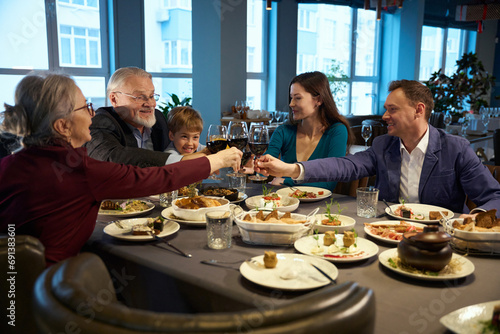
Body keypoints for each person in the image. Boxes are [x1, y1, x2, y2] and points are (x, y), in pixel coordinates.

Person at [0, 73, 242, 266]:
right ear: (63, 126)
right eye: (85, 108)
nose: (92, 116)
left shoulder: (8, 165)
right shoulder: (81, 171)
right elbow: (156, 178)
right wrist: (217, 161)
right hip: (51, 296)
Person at [255, 79, 500, 217]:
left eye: (392, 109)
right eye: (385, 108)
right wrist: (291, 169)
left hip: (438, 239)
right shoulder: (384, 144)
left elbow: (493, 197)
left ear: (419, 110)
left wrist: (476, 219)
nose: (384, 116)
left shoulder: (456, 149)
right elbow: (346, 166)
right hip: (387, 231)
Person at [84, 67, 200, 167]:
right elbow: (112, 157)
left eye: (151, 96)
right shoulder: (99, 123)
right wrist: (181, 161)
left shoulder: (158, 118)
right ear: (114, 99)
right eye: (139, 97)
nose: (150, 104)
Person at [265, 71, 353, 191]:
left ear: (318, 100)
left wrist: (287, 181)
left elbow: (329, 183)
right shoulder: (283, 131)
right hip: (285, 203)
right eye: (291, 98)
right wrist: (255, 167)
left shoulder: (337, 131)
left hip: (322, 206)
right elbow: (266, 163)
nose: (291, 104)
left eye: (298, 98)